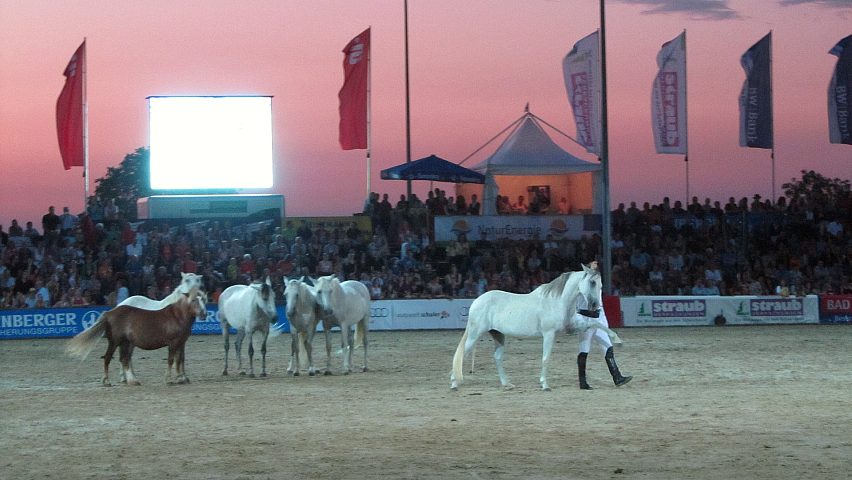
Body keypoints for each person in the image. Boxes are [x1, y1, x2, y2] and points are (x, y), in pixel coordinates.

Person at [575, 261, 632, 390]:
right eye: (593, 268)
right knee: (584, 350)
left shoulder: (597, 283)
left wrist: (604, 321)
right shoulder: (581, 285)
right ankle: (582, 382)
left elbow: (599, 304)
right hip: (586, 319)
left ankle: (617, 377)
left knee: (608, 347)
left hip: (598, 319)